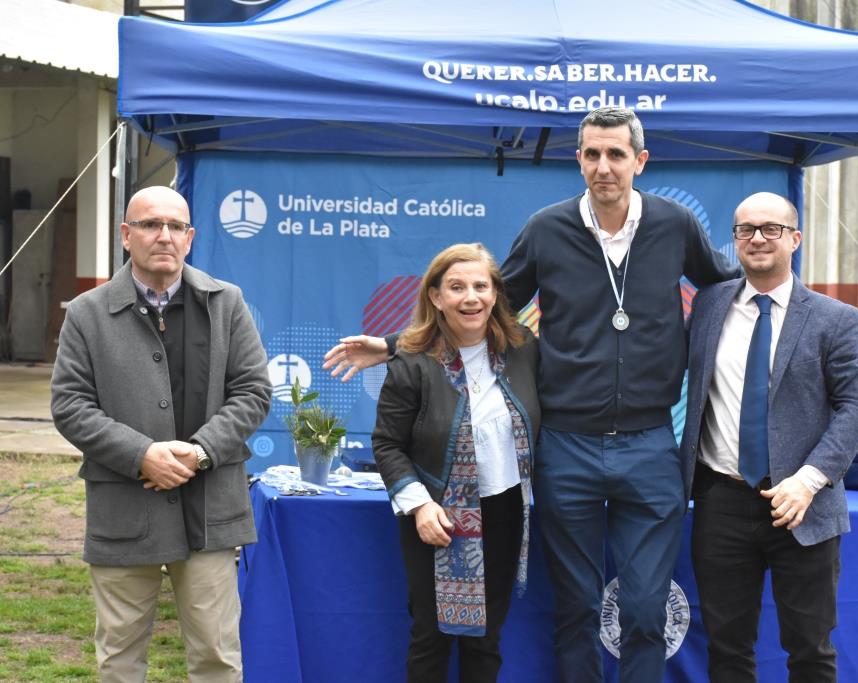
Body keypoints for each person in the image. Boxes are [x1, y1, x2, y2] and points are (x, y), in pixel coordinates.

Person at [325, 107, 738, 682]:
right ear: (578, 160)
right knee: (577, 608)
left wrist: (803, 318)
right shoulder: (548, 228)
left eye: (616, 154)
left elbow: (727, 286)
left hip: (649, 445)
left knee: (645, 609)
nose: (603, 167)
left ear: (640, 162)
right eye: (591, 154)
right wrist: (396, 344)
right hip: (566, 448)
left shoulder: (674, 224)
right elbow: (484, 308)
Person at [51, 186, 272, 682]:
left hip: (210, 511)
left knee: (217, 657)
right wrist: (142, 453)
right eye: (151, 225)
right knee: (120, 661)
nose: (164, 236)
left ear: (190, 238)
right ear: (127, 236)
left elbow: (253, 391)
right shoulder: (87, 313)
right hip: (125, 511)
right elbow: (70, 405)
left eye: (175, 226)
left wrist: (201, 452)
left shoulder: (227, 303)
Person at [680, 192, 858, 682]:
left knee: (809, 649)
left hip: (802, 505)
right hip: (720, 501)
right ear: (735, 241)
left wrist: (808, 481)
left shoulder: (836, 318)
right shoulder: (708, 305)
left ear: (795, 238)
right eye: (746, 229)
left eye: (771, 228)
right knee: (726, 648)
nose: (758, 238)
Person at [372, 243, 540, 682]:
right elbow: (387, 444)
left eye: (481, 286)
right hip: (436, 516)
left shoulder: (524, 350)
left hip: (505, 511)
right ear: (435, 297)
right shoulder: (412, 362)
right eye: (457, 287)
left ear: (495, 294)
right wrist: (420, 506)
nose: (471, 298)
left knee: (486, 638)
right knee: (432, 637)